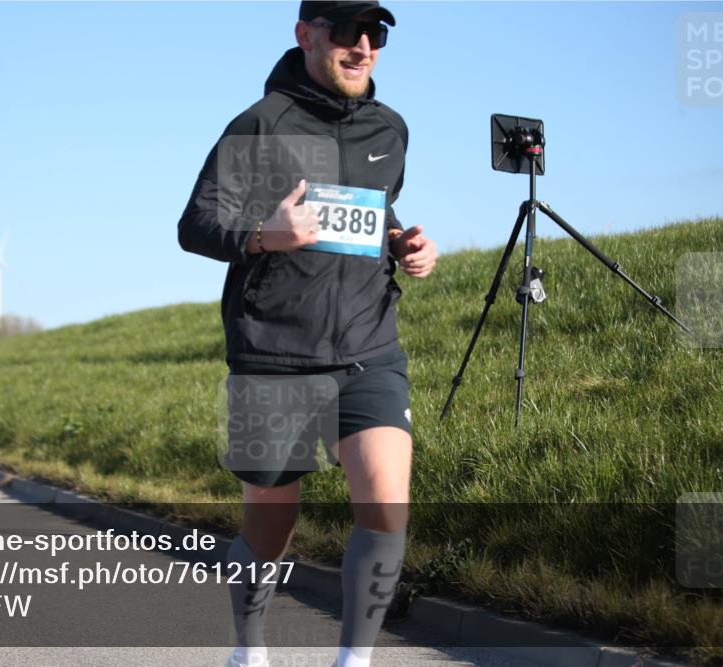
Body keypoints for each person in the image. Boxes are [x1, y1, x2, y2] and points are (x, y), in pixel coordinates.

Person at [177, 3, 437, 666]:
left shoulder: (391, 129)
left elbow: (375, 215)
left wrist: (406, 244)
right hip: (273, 350)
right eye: (346, 31)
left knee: (386, 501)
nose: (362, 46)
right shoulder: (260, 124)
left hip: (367, 344)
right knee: (271, 523)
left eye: (374, 34)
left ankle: (355, 659)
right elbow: (196, 225)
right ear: (306, 35)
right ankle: (250, 646)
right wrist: (267, 235)